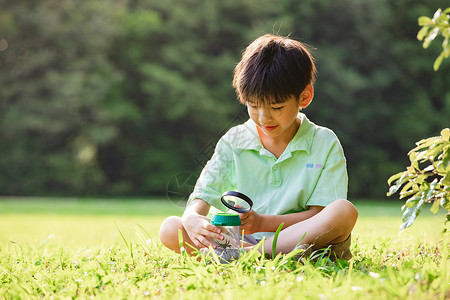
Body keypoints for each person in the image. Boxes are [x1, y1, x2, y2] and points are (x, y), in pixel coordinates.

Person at [159, 34, 358, 262]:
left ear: (305, 96)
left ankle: (248, 256)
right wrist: (192, 218)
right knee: (171, 227)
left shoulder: (324, 142)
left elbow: (320, 214)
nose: (264, 118)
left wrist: (264, 223)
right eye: (253, 106)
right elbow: (203, 196)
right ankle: (242, 254)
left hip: (305, 242)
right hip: (242, 240)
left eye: (276, 106)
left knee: (343, 211)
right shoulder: (235, 140)